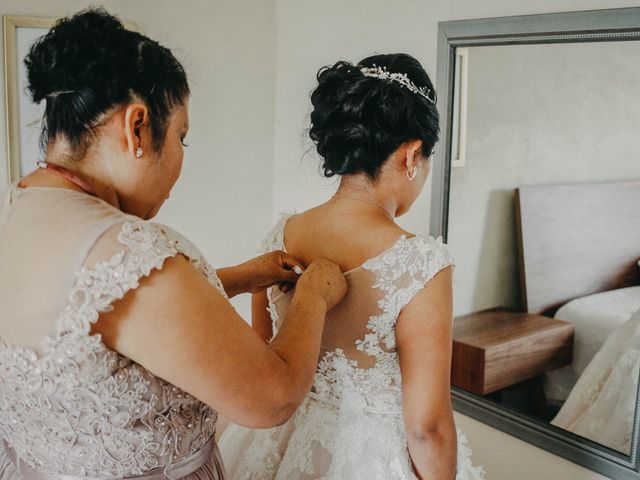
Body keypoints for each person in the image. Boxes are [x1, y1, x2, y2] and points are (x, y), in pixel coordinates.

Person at [0, 9, 347, 480]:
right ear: (137, 127)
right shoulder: (127, 249)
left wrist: (243, 277)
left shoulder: (18, 207)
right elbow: (274, 397)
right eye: (182, 135)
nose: (182, 156)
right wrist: (314, 297)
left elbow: (100, 323)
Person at [219, 54, 484, 479]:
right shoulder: (421, 264)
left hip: (276, 444)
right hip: (370, 459)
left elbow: (264, 357)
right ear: (413, 154)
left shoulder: (283, 235)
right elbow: (427, 428)